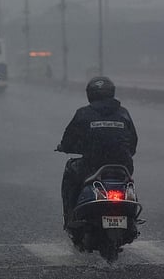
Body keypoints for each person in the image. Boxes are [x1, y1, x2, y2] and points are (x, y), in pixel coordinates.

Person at [57, 76, 138, 230]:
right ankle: (131, 217)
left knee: (70, 171)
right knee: (127, 183)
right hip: (123, 165)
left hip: (91, 165)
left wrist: (64, 147)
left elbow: (68, 141)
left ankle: (70, 217)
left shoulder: (83, 113)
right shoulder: (124, 113)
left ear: (90, 94)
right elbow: (133, 142)